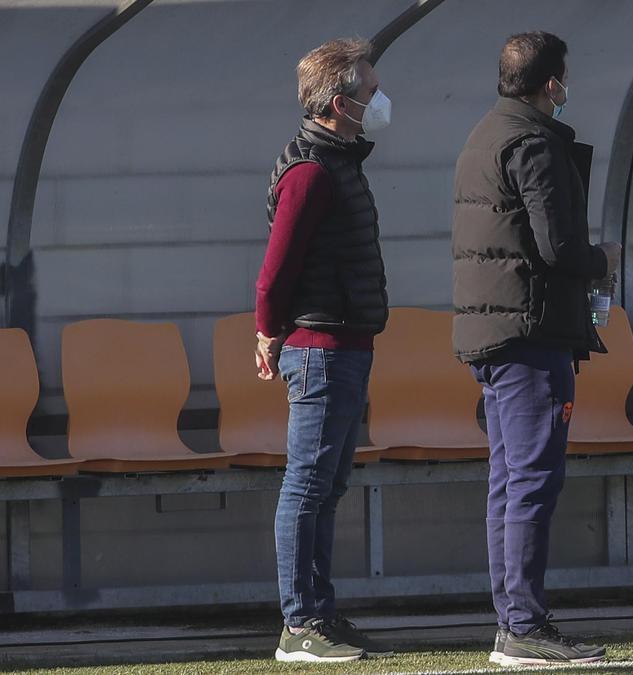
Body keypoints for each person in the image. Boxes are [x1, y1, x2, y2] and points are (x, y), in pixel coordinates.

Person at [451, 31, 621, 667]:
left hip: (493, 334)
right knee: (532, 479)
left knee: (508, 478)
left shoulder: (485, 133)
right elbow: (558, 250)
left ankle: (513, 622)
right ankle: (522, 625)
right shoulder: (535, 142)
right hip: (529, 332)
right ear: (551, 84)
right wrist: (601, 259)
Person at [254, 37, 394, 663]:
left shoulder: (337, 161)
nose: (379, 100)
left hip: (346, 345)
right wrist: (267, 330)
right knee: (307, 485)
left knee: (328, 485)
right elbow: (275, 270)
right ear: (340, 103)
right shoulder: (311, 170)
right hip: (319, 349)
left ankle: (321, 611)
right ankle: (298, 623)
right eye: (369, 91)